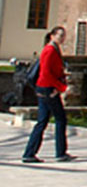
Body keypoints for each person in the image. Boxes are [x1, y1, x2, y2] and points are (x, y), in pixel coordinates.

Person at [21, 25, 74, 164]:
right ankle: (60, 152)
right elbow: (46, 74)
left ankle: (29, 153)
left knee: (42, 121)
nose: (62, 38)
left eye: (63, 35)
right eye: (60, 35)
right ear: (52, 35)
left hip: (46, 87)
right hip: (48, 88)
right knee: (60, 119)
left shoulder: (54, 49)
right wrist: (61, 87)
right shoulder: (49, 50)